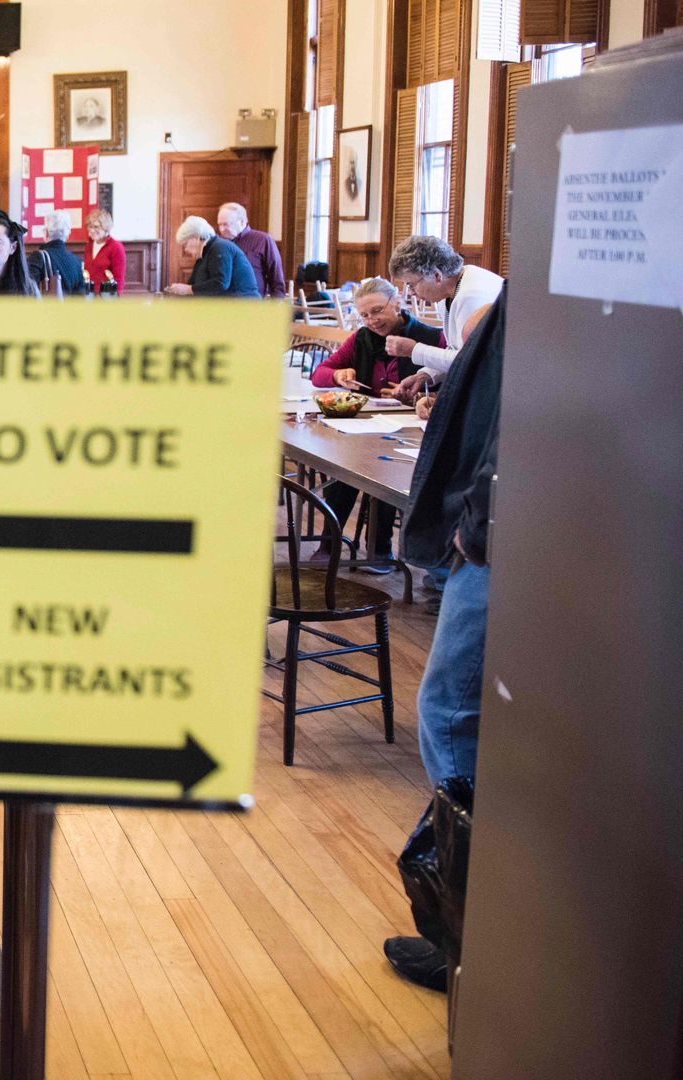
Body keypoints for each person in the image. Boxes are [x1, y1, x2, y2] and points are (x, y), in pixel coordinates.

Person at [382, 286, 506, 993]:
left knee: (452, 715)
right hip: (491, 524)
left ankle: (465, 934)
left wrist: (474, 526)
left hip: (493, 537)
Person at [305, 277, 444, 567]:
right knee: (345, 466)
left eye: (378, 311)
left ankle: (380, 549)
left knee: (385, 470)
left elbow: (451, 381)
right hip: (370, 425)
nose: (372, 320)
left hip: (413, 431)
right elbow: (319, 373)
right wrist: (338, 375)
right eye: (365, 315)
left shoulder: (430, 338)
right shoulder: (360, 339)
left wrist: (421, 398)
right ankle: (330, 545)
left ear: (398, 303)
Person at [384, 235, 505, 403]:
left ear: (437, 275)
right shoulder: (450, 288)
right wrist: (426, 375)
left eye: (412, 284)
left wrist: (414, 350)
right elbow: (454, 348)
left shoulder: (472, 295)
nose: (411, 292)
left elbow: (470, 359)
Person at [165, 216, 260, 297]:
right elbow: (194, 285)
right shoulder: (204, 255)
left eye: (185, 244)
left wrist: (188, 289)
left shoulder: (220, 247)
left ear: (196, 238)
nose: (185, 249)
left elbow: (220, 283)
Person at [216, 201, 288, 298]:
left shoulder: (263, 240)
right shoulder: (219, 243)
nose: (222, 229)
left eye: (226, 224)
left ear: (241, 221)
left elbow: (276, 278)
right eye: (220, 225)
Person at [24, 210, 87, 295]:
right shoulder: (76, 261)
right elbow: (81, 297)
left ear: (46, 232)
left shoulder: (38, 258)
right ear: (67, 234)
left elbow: (26, 289)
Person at [84, 208, 126, 293]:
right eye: (90, 227)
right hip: (90, 296)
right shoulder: (88, 246)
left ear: (105, 228)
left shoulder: (116, 247)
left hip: (106, 298)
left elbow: (119, 279)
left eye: (96, 227)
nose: (92, 230)